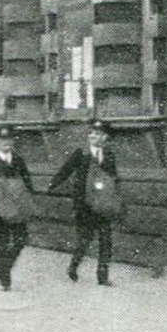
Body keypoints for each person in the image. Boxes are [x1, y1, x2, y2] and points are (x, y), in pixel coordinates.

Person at [49, 120, 121, 286]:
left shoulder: (109, 155)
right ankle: (73, 267)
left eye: (96, 133)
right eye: (91, 133)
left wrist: (115, 199)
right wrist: (52, 184)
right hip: (85, 205)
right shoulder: (81, 153)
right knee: (85, 240)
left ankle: (102, 277)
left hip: (102, 205)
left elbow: (114, 179)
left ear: (105, 137)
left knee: (106, 241)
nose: (92, 136)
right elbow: (65, 170)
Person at [0, 126, 36, 292]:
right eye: (2, 140)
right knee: (2, 245)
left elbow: (28, 184)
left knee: (20, 240)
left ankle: (6, 264)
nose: (6, 143)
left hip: (18, 210)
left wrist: (28, 204)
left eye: (9, 140)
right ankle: (5, 279)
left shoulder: (19, 161)